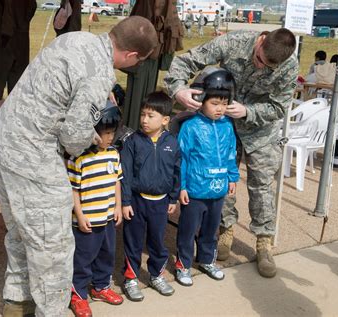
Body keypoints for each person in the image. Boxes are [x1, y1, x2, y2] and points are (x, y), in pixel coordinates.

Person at [0, 16, 158, 317]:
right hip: (33, 156)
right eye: (139, 61)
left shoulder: (76, 38)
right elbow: (74, 139)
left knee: (22, 232)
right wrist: (97, 136)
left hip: (5, 142)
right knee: (53, 246)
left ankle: (17, 301)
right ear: (131, 56)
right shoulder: (98, 74)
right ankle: (50, 311)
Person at [164, 28, 299, 278]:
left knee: (262, 186)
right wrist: (178, 90)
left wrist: (249, 112)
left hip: (260, 131)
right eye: (259, 60)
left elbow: (279, 106)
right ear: (260, 41)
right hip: (222, 127)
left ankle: (264, 242)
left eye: (268, 68)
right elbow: (186, 60)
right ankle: (225, 230)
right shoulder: (234, 42)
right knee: (222, 180)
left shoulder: (289, 65)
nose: (261, 68)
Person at [174, 68, 239, 286]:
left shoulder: (227, 126)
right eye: (214, 103)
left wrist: (232, 177)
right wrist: (181, 186)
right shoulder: (191, 127)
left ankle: (206, 259)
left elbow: (231, 154)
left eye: (224, 103)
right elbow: (181, 158)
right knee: (188, 230)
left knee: (211, 230)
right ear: (201, 101)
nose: (220, 109)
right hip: (195, 190)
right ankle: (183, 264)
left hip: (218, 189)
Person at [120, 92, 180, 301]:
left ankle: (156, 275)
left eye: (150, 115)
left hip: (160, 203)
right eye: (142, 114)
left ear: (165, 120)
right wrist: (125, 201)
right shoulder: (132, 142)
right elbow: (125, 174)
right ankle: (131, 278)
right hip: (136, 202)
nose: (144, 120)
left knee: (157, 242)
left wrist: (173, 198)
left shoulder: (172, 143)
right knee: (133, 242)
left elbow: (176, 171)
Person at [67, 102, 124, 317]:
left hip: (107, 218)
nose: (109, 137)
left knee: (106, 255)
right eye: (105, 133)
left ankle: (101, 287)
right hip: (87, 222)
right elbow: (73, 190)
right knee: (82, 259)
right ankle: (78, 295)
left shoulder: (113, 153)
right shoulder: (78, 158)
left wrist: (118, 207)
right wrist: (79, 215)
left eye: (112, 132)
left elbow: (117, 181)